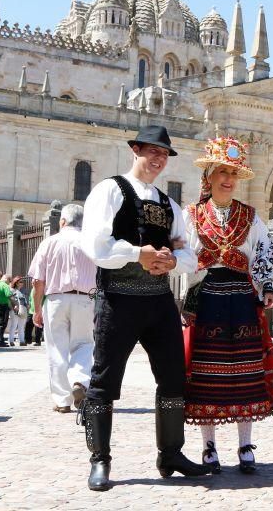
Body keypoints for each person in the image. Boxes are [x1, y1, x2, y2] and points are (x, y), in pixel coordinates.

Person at [79, 125, 209, 491]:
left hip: (158, 301)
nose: (158, 159)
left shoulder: (168, 203)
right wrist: (139, 253)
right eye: (152, 151)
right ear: (135, 150)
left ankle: (171, 453)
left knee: (172, 376)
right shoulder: (109, 190)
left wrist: (170, 262)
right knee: (105, 380)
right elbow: (96, 245)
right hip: (118, 299)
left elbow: (188, 252)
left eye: (164, 154)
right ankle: (99, 460)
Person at [183, 135, 273, 474]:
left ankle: (245, 444)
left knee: (246, 370)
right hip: (207, 295)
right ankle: (209, 447)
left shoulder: (251, 216)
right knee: (205, 373)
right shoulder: (192, 215)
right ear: (209, 177)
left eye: (234, 173)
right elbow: (182, 255)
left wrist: (268, 287)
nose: (229, 179)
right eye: (222, 172)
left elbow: (262, 252)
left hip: (243, 298)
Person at [28, 203, 97, 413]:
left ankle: (62, 401)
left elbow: (37, 281)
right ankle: (79, 381)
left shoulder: (49, 242)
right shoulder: (90, 242)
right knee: (84, 344)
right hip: (86, 299)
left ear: (63, 221)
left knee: (57, 349)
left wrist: (37, 308)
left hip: (56, 299)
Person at [6, 276, 29, 346]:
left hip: (22, 309)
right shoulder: (11, 290)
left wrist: (27, 305)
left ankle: (22, 341)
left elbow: (25, 300)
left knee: (21, 326)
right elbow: (10, 300)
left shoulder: (23, 291)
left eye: (22, 282)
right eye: (20, 282)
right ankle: (11, 341)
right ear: (16, 283)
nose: (22, 283)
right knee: (14, 325)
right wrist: (13, 307)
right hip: (14, 310)